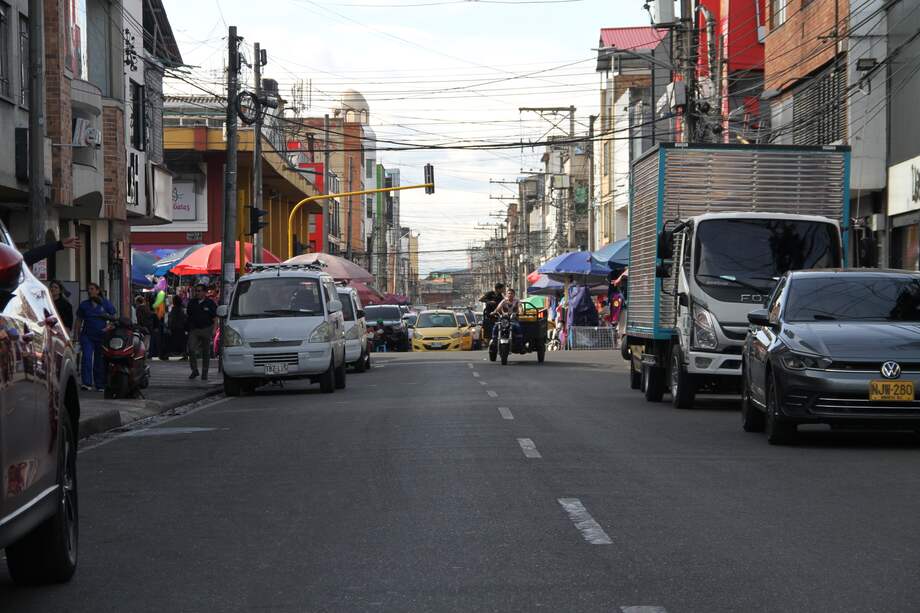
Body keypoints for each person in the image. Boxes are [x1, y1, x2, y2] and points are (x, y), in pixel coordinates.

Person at [74, 282, 115, 391]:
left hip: (101, 336)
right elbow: (78, 321)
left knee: (99, 360)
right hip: (87, 336)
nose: (89, 291)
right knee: (86, 358)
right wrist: (77, 336)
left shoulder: (105, 303)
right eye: (89, 289)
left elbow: (113, 318)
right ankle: (86, 383)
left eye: (92, 289)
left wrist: (108, 328)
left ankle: (99, 384)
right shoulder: (84, 305)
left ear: (97, 290)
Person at [186, 283, 218, 380]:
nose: (197, 293)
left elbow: (215, 317)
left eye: (199, 291)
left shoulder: (210, 303)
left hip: (207, 329)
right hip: (194, 330)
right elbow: (188, 315)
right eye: (196, 291)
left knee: (206, 352)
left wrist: (214, 329)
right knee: (191, 349)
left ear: (204, 292)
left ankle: (205, 372)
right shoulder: (192, 303)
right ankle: (194, 370)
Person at [166, 295, 188, 359]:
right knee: (181, 341)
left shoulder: (174, 309)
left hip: (175, 328)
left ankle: (168, 353)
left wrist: (169, 326)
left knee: (172, 341)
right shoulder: (182, 309)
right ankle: (184, 353)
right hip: (181, 328)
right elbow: (185, 318)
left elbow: (171, 319)